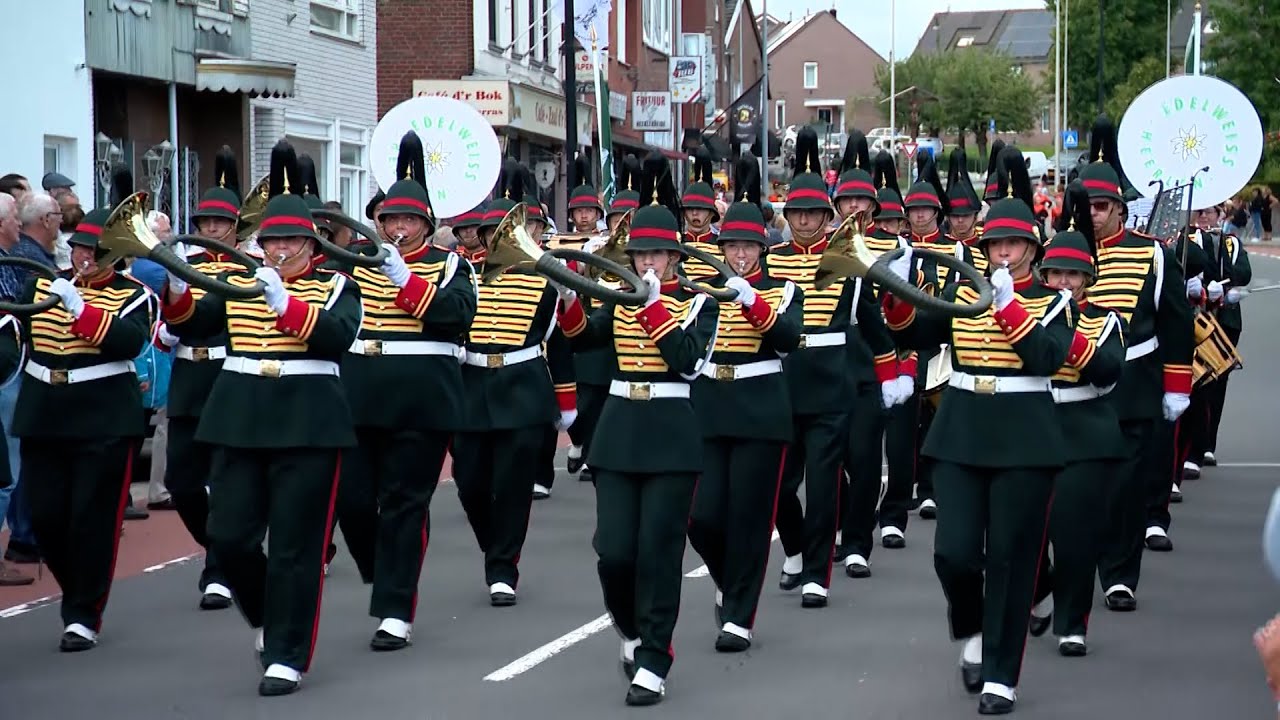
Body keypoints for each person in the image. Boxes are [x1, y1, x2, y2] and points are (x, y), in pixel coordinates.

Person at [163, 140, 362, 695]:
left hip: (308, 424)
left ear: (311, 243)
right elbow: (194, 324)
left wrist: (286, 304)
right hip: (240, 418)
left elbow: (337, 336)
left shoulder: (338, 285)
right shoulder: (240, 281)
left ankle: (287, 654)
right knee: (227, 536)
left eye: (290, 240)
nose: (278, 250)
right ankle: (270, 617)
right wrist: (177, 287)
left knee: (297, 548)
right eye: (271, 239)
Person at [883, 157, 1073, 714]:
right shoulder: (967, 299)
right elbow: (919, 330)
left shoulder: (1053, 301)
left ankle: (999, 674)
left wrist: (1011, 308)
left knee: (1011, 560)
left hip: (1024, 439)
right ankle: (970, 625)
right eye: (996, 247)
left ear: (1033, 253)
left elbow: (1045, 357)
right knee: (954, 554)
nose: (1004, 256)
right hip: (962, 432)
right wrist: (892, 292)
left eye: (1014, 247)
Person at [555, 150, 719, 704]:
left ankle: (655, 654)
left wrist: (653, 310)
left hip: (671, 433)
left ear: (676, 258)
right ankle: (628, 626)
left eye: (658, 255)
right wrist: (568, 299)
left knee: (659, 551)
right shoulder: (624, 298)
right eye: (641, 252)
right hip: (621, 431)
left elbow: (687, 360)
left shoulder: (700, 302)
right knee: (614, 551)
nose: (648, 263)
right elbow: (586, 338)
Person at [341, 131, 477, 650]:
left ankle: (396, 608)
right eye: (391, 220)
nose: (399, 229)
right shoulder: (355, 263)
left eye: (409, 220)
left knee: (403, 504)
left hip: (422, 403)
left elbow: (456, 316)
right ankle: (385, 570)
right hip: (359, 398)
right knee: (352, 502)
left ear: (427, 224)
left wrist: (406, 281)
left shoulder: (451, 266)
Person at [11, 168, 154, 652]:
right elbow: (21, 347)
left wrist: (79, 309)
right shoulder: (41, 287)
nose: (83, 257)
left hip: (102, 419)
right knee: (47, 519)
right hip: (46, 415)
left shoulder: (133, 295)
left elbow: (127, 342)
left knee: (91, 520)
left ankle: (83, 613)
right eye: (78, 248)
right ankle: (78, 591)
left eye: (93, 251)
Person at [769, 127, 892, 607]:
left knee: (823, 487)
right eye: (796, 212)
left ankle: (817, 572)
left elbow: (877, 328)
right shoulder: (772, 261)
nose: (804, 220)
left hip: (830, 388)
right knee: (778, 485)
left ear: (826, 216)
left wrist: (892, 375)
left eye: (813, 213)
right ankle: (796, 548)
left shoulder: (848, 264)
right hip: (779, 387)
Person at [687, 153, 804, 652]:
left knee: (752, 519)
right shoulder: (704, 292)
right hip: (710, 407)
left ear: (762, 248)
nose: (739, 255)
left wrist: (752, 301)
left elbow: (786, 340)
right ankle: (727, 580)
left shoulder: (783, 289)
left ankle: (739, 614)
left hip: (759, 412)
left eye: (747, 246)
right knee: (702, 517)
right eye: (731, 245)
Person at [451, 159, 575, 607]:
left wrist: (567, 401)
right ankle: (494, 547)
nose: (494, 240)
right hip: (472, 384)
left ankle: (503, 566)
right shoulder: (462, 275)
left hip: (523, 388)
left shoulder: (544, 278)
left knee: (514, 484)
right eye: (490, 233)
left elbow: (562, 342)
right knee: (469, 482)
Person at [1083, 116, 1194, 612]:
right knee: (1085, 488)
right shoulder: (1061, 252)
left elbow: (1176, 323)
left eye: (1102, 206)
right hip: (1078, 386)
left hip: (1134, 384)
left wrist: (1176, 386)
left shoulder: (1153, 255)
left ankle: (1120, 575)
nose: (1094, 215)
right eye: (1086, 206)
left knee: (1127, 488)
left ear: (1120, 210)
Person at [1028, 182, 1127, 657]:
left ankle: (1072, 622)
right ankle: (1040, 592)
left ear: (1087, 280)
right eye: (1055, 275)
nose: (1063, 283)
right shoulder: (1023, 317)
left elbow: (1108, 373)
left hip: (1085, 433)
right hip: (1031, 428)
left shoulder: (1105, 320)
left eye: (1072, 276)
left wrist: (1065, 334)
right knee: (1024, 531)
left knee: (1073, 535)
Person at [828, 136, 912, 578]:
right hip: (825, 368)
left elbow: (902, 322)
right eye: (848, 200)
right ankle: (841, 525)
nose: (856, 207)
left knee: (863, 457)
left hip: (869, 366)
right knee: (829, 460)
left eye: (863, 200)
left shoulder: (892, 249)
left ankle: (859, 541)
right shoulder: (819, 247)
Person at [680, 148, 723, 281]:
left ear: (711, 213)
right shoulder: (676, 242)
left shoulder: (722, 246)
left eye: (700, 209)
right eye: (690, 208)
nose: (694, 213)